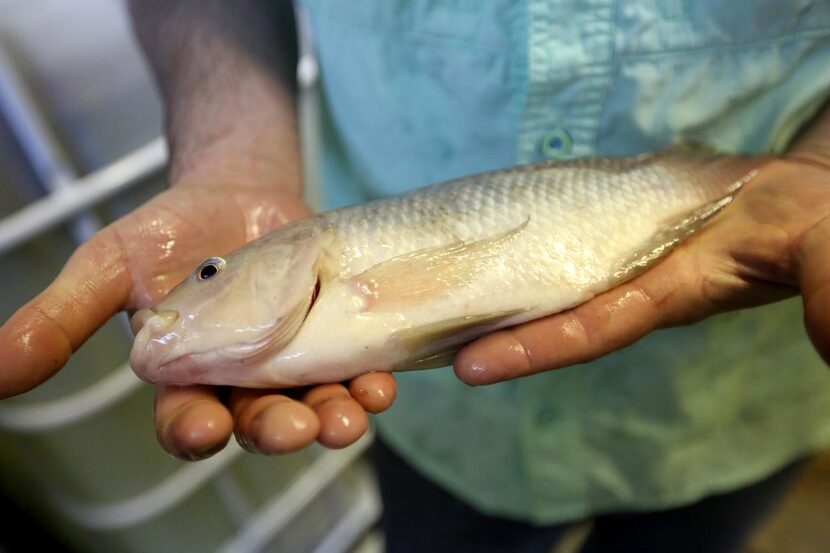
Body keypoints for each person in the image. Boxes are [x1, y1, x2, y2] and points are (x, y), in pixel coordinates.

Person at [2, 0, 830, 551]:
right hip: (442, 442)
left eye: (212, 272)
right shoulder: (317, 280)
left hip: (734, 403)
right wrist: (231, 151)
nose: (190, 295)